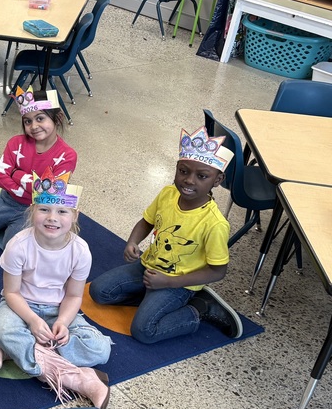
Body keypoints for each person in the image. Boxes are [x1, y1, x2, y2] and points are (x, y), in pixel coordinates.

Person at [89, 126, 242, 344]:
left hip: (180, 283)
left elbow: (217, 271)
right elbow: (147, 221)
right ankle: (151, 299)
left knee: (144, 330)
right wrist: (133, 241)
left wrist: (169, 282)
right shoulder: (168, 193)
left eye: (202, 176)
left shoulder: (215, 223)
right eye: (183, 171)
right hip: (148, 268)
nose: (189, 180)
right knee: (99, 292)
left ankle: (199, 308)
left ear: (217, 181)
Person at [0, 171, 112, 409]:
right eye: (44, 209)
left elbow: (74, 295)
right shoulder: (18, 245)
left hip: (59, 309)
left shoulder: (80, 250)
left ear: (74, 216)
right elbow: (11, 293)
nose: (52, 218)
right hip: (20, 307)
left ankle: (16, 349)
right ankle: (80, 380)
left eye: (62, 211)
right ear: (32, 210)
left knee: (101, 349)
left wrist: (64, 323)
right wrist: (33, 321)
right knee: (3, 329)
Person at [0, 88, 77, 249]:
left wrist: (16, 173)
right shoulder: (16, 142)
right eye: (27, 121)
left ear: (57, 118)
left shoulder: (68, 155)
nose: (34, 126)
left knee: (10, 247)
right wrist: (31, 184)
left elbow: (45, 194)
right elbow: (0, 176)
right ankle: (7, 226)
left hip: (35, 209)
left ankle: (12, 230)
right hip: (6, 200)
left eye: (40, 118)